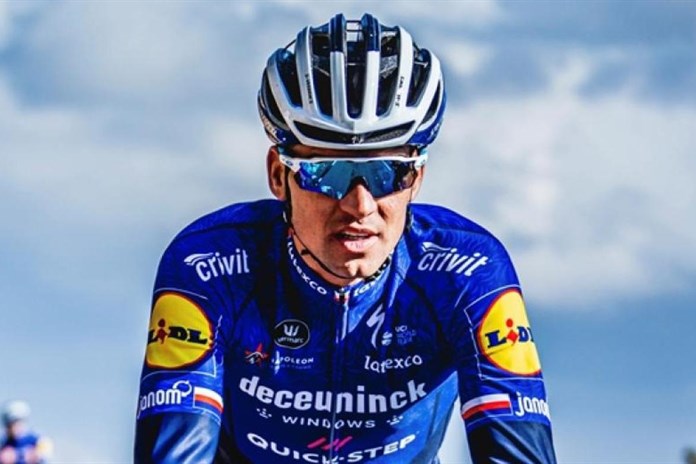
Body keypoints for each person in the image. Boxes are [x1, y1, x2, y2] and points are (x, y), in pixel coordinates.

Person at [134, 12, 556, 463]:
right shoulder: (211, 265)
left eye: (386, 173)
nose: (359, 204)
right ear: (278, 176)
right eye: (328, 174)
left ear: (417, 178)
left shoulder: (466, 272)